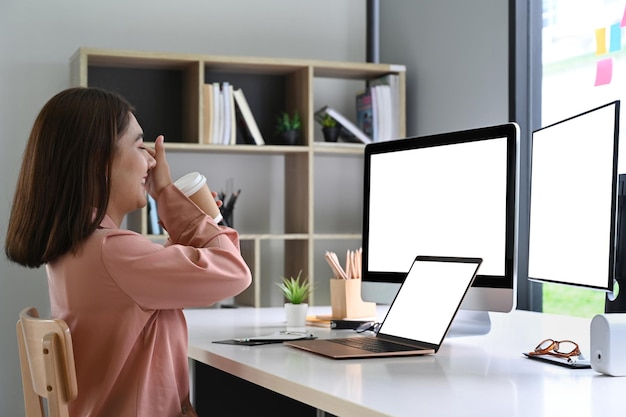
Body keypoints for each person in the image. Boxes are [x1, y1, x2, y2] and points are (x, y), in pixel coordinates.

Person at [5, 87, 252, 417]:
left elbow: (146, 279)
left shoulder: (79, 248)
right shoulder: (113, 252)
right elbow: (235, 273)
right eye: (139, 146)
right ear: (98, 160)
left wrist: (190, 222)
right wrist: (168, 195)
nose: (152, 160)